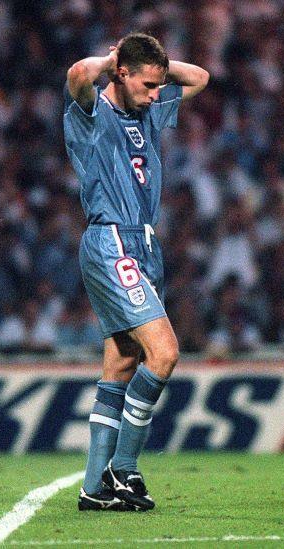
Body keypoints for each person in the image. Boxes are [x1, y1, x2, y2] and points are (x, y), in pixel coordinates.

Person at [63, 32, 209, 511]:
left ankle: (93, 486)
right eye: (147, 84)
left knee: (123, 363)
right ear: (120, 73)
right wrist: (114, 57)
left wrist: (153, 63)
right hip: (111, 241)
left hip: (145, 245)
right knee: (164, 353)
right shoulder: (91, 114)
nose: (155, 94)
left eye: (157, 86)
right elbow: (78, 75)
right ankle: (124, 469)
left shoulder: (147, 108)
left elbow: (200, 78)